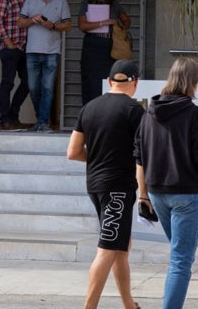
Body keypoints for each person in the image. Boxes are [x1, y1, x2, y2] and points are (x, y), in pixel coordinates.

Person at [135, 57, 198, 309]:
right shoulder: (194, 114)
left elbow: (140, 158)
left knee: (178, 257)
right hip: (186, 195)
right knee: (180, 260)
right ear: (193, 83)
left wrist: (143, 195)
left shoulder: (149, 114)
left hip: (157, 194)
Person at [66, 59, 145, 309]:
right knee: (108, 247)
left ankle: (129, 304)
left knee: (120, 247)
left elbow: (73, 152)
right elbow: (143, 156)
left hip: (96, 185)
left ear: (110, 81)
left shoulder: (89, 108)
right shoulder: (135, 111)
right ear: (135, 83)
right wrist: (145, 192)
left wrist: (98, 156)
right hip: (119, 187)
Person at [19, 0, 72, 132]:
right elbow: (20, 23)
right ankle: (41, 120)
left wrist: (53, 25)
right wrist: (31, 20)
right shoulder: (30, 1)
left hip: (52, 51)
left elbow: (68, 25)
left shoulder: (61, 2)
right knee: (33, 87)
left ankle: (42, 121)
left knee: (48, 87)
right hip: (32, 51)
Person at [77, 0, 131, 106]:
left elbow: (126, 20)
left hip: (109, 46)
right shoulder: (87, 3)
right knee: (90, 81)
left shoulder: (113, 3)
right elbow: (82, 25)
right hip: (92, 44)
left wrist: (120, 24)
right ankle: (89, 113)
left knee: (108, 79)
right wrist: (103, 23)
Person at [0, 0, 31, 130]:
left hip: (24, 47)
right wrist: (7, 42)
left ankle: (13, 115)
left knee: (29, 82)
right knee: (7, 83)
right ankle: (5, 119)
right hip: (9, 48)